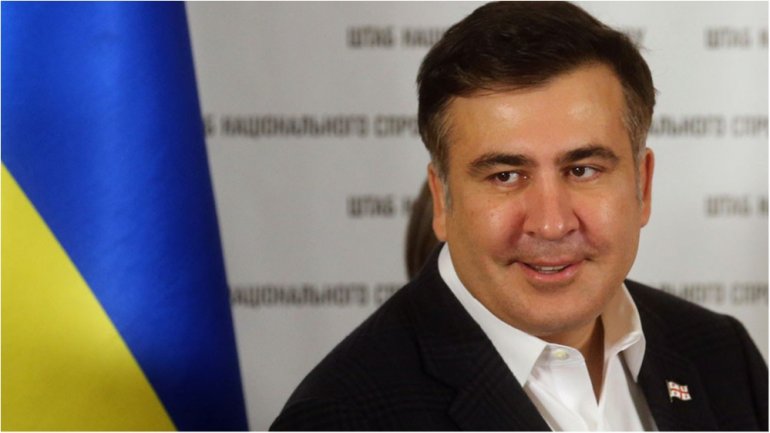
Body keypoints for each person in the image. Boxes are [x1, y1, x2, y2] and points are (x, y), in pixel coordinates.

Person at [271, 2, 768, 430]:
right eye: (506, 175)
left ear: (643, 186)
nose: (551, 224)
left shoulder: (722, 355)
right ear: (441, 200)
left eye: (583, 169)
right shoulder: (341, 418)